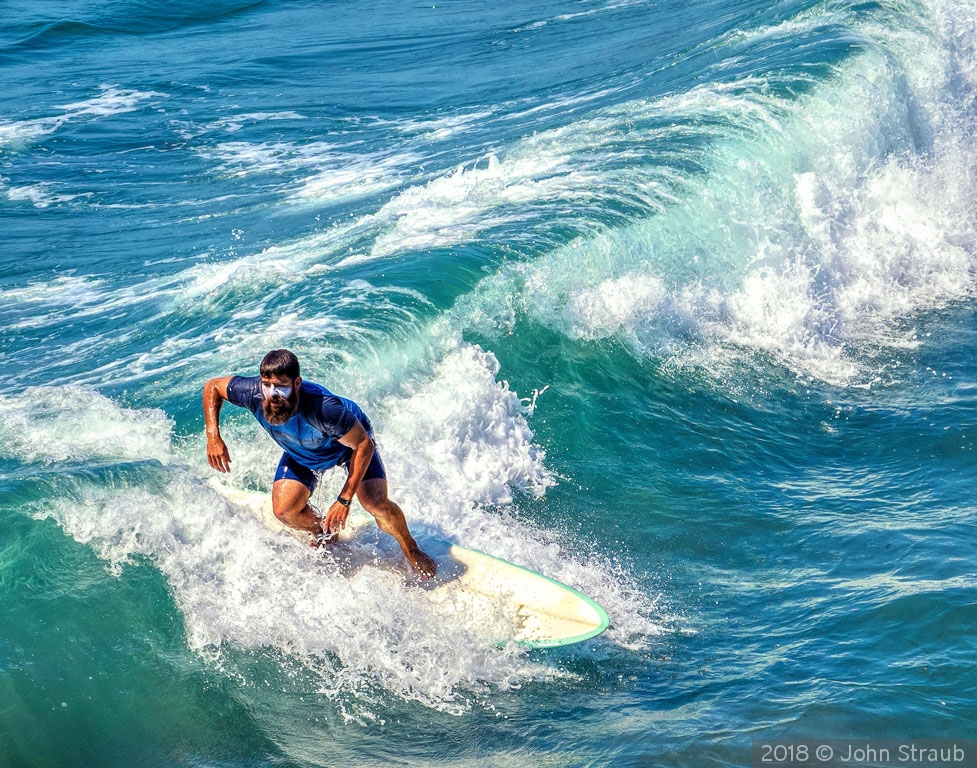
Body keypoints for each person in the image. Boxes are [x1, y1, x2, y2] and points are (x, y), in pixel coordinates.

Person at [203, 348, 436, 579]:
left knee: (374, 502)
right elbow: (213, 386)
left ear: (297, 384)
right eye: (267, 385)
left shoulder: (323, 409)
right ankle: (325, 531)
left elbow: (364, 445)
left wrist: (344, 499)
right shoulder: (252, 393)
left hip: (347, 447)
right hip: (300, 453)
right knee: (284, 511)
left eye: (281, 387)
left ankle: (410, 546)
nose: (272, 394)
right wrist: (213, 435)